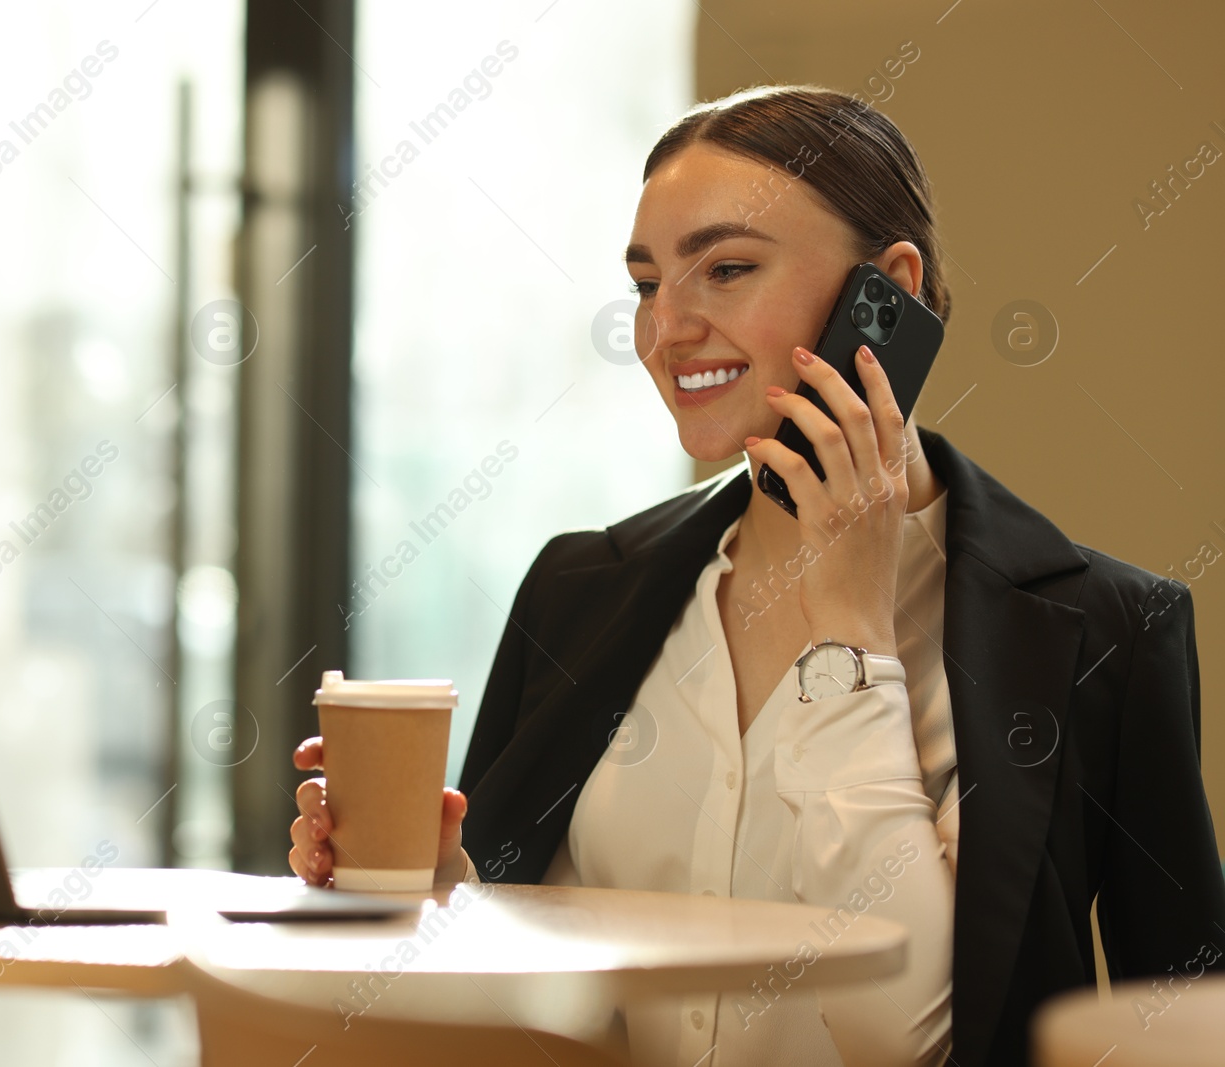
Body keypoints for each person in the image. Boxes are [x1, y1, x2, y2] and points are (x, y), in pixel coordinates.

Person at [288, 84, 1225, 1066]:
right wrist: (442, 890)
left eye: (725, 268)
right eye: (648, 283)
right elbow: (519, 1010)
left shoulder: (1103, 630)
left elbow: (926, 1036)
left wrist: (850, 641)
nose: (665, 329)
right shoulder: (578, 590)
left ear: (887, 292)